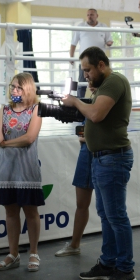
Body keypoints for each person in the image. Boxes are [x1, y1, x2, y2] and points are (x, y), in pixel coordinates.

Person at [60, 47, 135, 280]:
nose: (85, 75)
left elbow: (96, 115)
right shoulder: (104, 85)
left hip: (113, 158)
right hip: (102, 158)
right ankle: (108, 263)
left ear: (101, 65)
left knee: (116, 216)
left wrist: (75, 101)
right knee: (106, 214)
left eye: (88, 70)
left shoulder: (114, 81)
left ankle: (125, 270)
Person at [0, 72, 44, 272]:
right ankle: (13, 253)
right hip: (7, 168)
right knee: (10, 211)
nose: (14, 91)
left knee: (31, 211)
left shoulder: (36, 109)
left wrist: (5, 144)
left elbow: (29, 138)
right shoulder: (5, 110)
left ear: (28, 89)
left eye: (19, 87)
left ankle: (33, 253)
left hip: (27, 168)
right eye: (13, 87)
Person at [54, 86, 96, 257]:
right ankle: (74, 244)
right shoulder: (91, 100)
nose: (88, 78)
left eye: (89, 73)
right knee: (81, 203)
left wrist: (76, 102)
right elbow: (84, 133)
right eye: (86, 74)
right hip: (86, 152)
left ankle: (113, 253)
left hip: (104, 153)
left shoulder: (109, 95)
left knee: (107, 207)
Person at [70, 9, 113, 99]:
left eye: (92, 15)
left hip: (99, 62)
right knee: (82, 84)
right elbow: (73, 43)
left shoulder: (103, 26)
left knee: (102, 82)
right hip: (85, 62)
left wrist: (109, 43)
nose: (89, 16)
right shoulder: (80, 26)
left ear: (97, 16)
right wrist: (71, 57)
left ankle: (101, 101)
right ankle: (80, 102)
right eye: (88, 15)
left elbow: (109, 40)